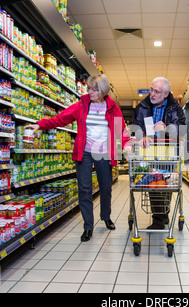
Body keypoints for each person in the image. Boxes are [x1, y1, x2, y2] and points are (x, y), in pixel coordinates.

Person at [25, 74, 132, 242]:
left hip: (104, 152)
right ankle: (88, 226)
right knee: (84, 189)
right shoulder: (82, 105)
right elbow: (61, 119)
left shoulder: (113, 108)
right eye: (89, 88)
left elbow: (121, 130)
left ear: (103, 91)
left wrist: (127, 144)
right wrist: (40, 125)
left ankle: (106, 216)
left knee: (106, 188)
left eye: (94, 89)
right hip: (85, 152)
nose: (90, 92)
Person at [132, 77, 186, 229]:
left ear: (166, 94)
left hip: (167, 152)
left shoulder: (175, 109)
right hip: (148, 152)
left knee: (166, 184)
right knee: (153, 183)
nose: (152, 94)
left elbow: (181, 130)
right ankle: (159, 220)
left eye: (157, 91)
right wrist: (140, 135)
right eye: (151, 89)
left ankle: (162, 215)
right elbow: (135, 126)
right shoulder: (142, 107)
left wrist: (167, 127)